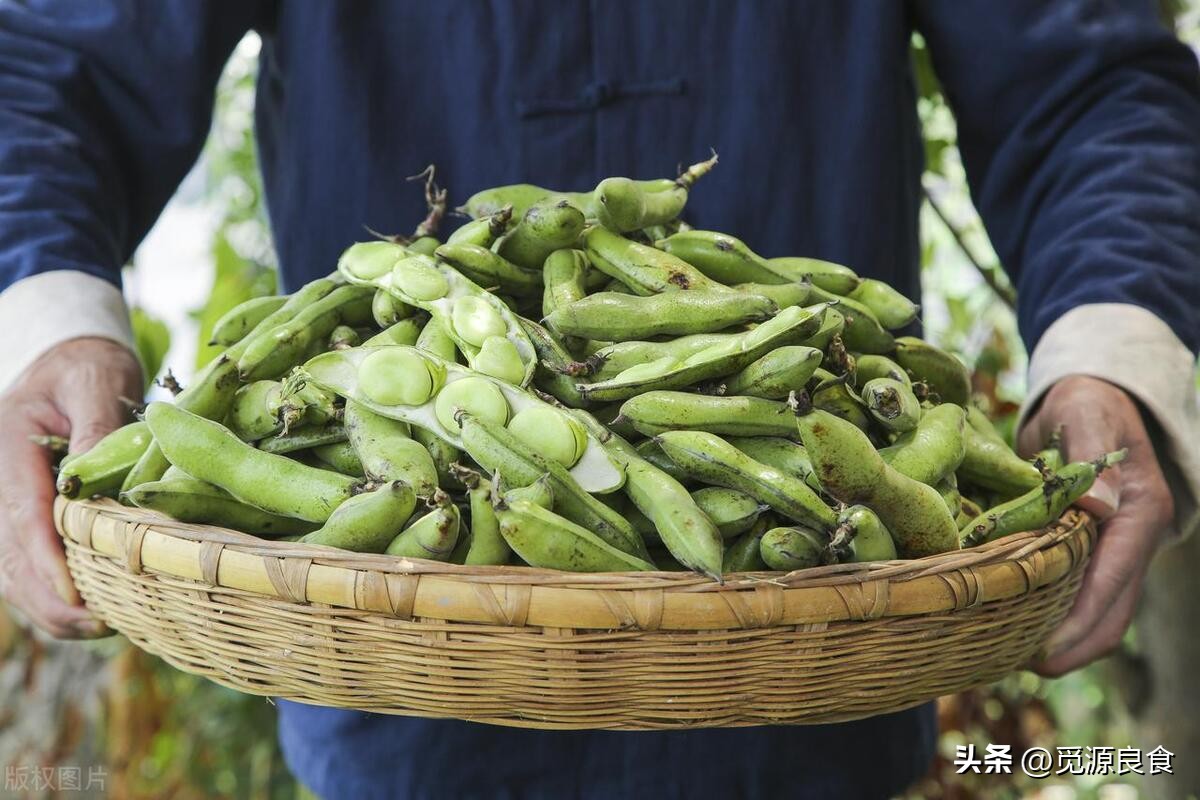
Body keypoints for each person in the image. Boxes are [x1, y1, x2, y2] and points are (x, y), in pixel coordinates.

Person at [1, 2, 1197, 798]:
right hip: (402, 665)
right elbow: (57, 61)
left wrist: (1110, 351)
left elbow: (1084, 75)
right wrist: (44, 321)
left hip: (819, 654)